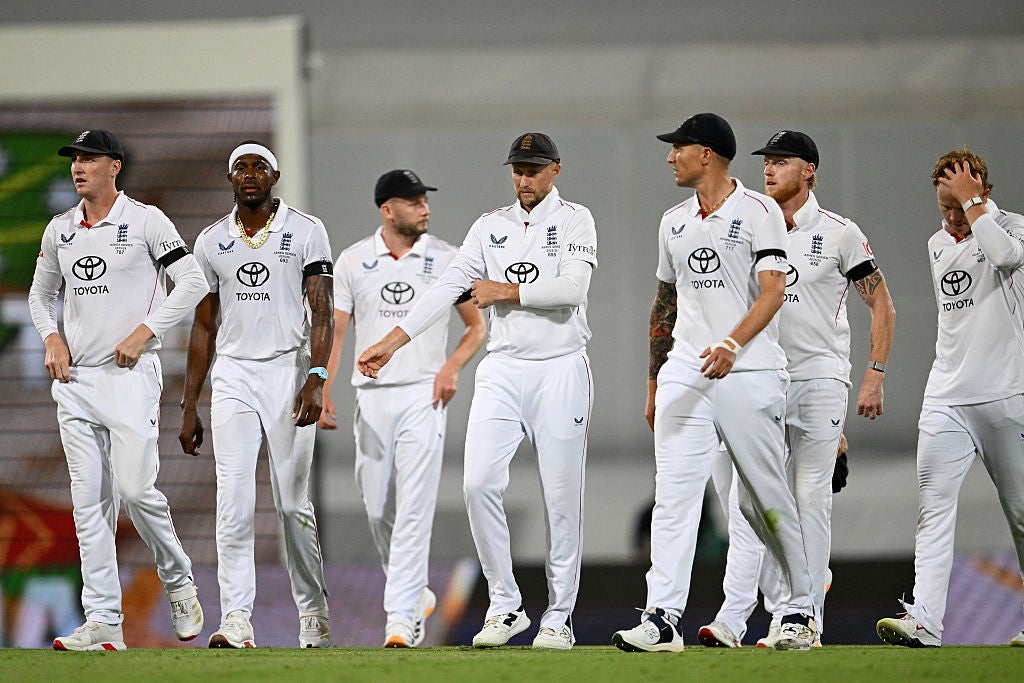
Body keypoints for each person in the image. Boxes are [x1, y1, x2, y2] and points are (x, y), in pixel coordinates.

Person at [356, 133, 597, 651]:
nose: (523, 180)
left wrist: (505, 291)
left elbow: (572, 290)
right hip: (503, 367)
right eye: (517, 170)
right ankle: (506, 604)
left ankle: (559, 616)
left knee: (560, 498)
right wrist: (394, 341)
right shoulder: (490, 226)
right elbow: (447, 287)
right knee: (478, 485)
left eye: (533, 170)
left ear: (555, 170)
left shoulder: (576, 219)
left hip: (560, 367)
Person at [612, 113, 817, 653]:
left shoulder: (760, 212)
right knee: (672, 497)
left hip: (749, 371)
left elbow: (773, 292)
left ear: (706, 154)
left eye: (677, 148)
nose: (669, 157)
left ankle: (799, 610)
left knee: (762, 498)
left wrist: (732, 343)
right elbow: (664, 304)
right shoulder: (672, 221)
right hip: (686, 371)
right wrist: (655, 383)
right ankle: (662, 618)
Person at [697, 130, 896, 648]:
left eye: (782, 161)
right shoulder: (750, 223)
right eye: (767, 161)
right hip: (761, 376)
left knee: (810, 495)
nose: (769, 168)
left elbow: (882, 304)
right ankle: (752, 609)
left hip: (819, 377)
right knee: (746, 502)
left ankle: (802, 617)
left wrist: (874, 373)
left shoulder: (839, 232)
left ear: (809, 170)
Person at [28, 129, 208, 650]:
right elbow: (40, 296)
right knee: (89, 504)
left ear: (115, 166)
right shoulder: (60, 229)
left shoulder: (147, 220)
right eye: (74, 159)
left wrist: (145, 331)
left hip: (130, 378)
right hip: (75, 383)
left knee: (134, 491)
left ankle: (178, 580)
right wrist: (52, 337)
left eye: (89, 158)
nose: (78, 167)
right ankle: (104, 620)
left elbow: (193, 282)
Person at [318, 170, 486, 647]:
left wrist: (450, 367)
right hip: (372, 397)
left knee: (414, 504)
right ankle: (413, 592)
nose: (424, 208)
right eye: (413, 202)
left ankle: (400, 619)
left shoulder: (448, 258)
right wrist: (322, 386)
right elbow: (337, 333)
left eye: (425, 200)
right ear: (387, 209)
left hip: (423, 396)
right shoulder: (353, 261)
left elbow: (476, 327)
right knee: (376, 508)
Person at [178, 141, 334, 649]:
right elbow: (203, 326)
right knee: (233, 500)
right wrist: (189, 404)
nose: (249, 174)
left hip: (289, 370)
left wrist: (316, 376)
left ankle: (312, 612)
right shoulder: (210, 241)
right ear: (230, 179)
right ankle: (236, 619)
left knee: (291, 503)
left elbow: (323, 311)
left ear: (275, 176)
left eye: (259, 167)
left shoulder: (306, 230)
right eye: (240, 168)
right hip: (234, 375)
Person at [876, 149, 1024, 648]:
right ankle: (925, 621)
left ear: (983, 192)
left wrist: (973, 204)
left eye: (961, 206)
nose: (954, 218)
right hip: (946, 396)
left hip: (1007, 395)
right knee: (933, 508)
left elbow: (1003, 257)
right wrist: (962, 205)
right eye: (946, 207)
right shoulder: (937, 244)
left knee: (1021, 514)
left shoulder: (1012, 229)